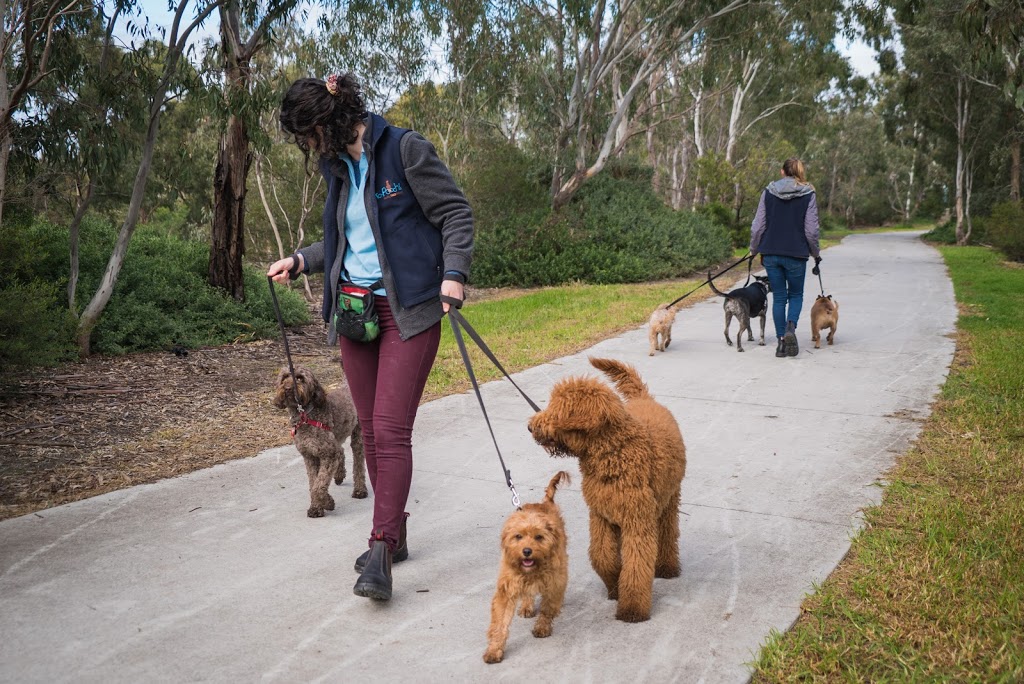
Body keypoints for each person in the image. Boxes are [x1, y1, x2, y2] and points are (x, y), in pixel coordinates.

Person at [267, 73, 474, 601]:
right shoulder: (337, 169)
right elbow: (343, 240)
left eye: (309, 134)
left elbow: (454, 212)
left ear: (330, 121)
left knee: (389, 427)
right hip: (355, 315)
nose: (309, 146)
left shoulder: (404, 150)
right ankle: (396, 534)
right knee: (374, 434)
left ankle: (380, 548)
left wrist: (454, 274)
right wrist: (300, 260)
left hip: (409, 311)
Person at [749, 157, 821, 358]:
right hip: (796, 253)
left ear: (782, 172)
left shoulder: (768, 192)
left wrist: (754, 248)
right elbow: (812, 231)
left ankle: (781, 342)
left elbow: (758, 225)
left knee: (779, 297)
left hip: (771, 252)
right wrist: (815, 253)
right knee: (796, 295)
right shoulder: (809, 194)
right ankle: (791, 329)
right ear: (800, 172)